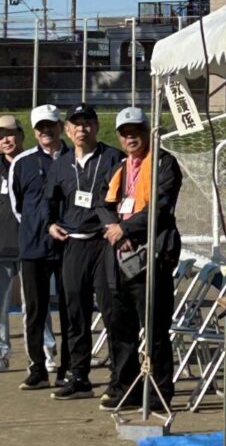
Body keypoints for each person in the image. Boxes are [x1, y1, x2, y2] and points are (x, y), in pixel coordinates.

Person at [99, 107, 182, 411]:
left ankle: (161, 391)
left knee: (155, 328)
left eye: (136, 131)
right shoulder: (119, 167)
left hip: (152, 257)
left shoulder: (163, 163)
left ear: (147, 131)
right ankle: (126, 387)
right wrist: (113, 227)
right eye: (125, 132)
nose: (130, 137)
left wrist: (125, 228)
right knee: (120, 326)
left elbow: (161, 207)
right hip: (119, 257)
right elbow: (103, 202)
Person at [46, 103, 123, 400]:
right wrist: (51, 224)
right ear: (67, 129)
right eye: (75, 124)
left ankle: (120, 377)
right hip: (73, 244)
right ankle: (79, 376)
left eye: (87, 123)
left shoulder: (112, 157)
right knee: (74, 312)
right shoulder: (61, 163)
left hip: (103, 243)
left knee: (111, 311)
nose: (81, 129)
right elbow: (50, 200)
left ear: (96, 126)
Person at [9, 104, 71, 390]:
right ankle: (37, 368)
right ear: (34, 132)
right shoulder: (22, 163)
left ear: (60, 126)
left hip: (70, 247)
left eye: (51, 125)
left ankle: (69, 369)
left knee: (72, 309)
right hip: (33, 247)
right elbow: (18, 206)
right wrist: (38, 227)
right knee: (34, 310)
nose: (46, 130)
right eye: (40, 127)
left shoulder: (74, 157)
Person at [0, 115, 21, 373]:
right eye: (1, 135)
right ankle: (2, 352)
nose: (5, 139)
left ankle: (45, 351)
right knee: (1, 304)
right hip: (2, 245)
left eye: (10, 133)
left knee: (36, 306)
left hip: (31, 243)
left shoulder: (31, 162)